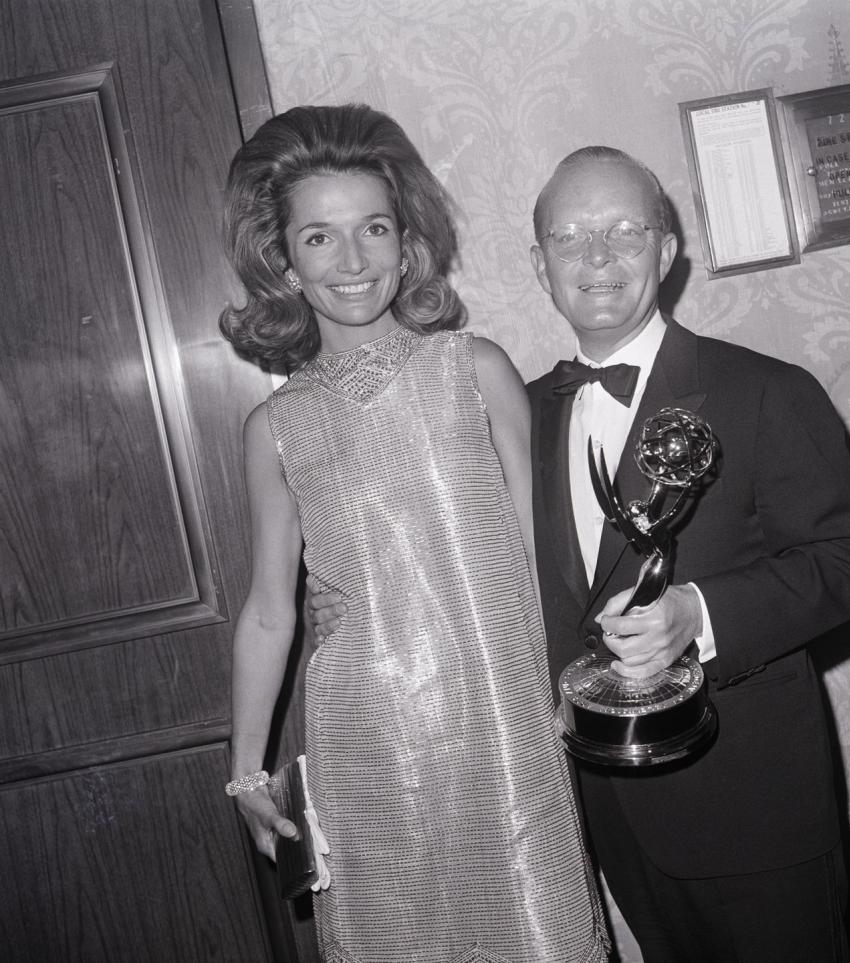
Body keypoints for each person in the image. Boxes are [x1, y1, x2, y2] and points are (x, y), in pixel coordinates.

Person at [312, 145, 850, 963]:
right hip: (601, 811)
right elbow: (451, 562)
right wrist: (345, 599)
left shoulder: (767, 391)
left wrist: (700, 613)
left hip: (753, 812)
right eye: (571, 238)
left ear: (667, 247)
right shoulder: (516, 414)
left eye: (624, 230)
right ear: (539, 265)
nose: (599, 256)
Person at [220, 104, 608, 963]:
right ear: (283, 259)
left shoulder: (474, 369)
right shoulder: (275, 424)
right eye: (319, 238)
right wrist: (248, 768)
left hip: (507, 722)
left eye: (374, 229)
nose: (352, 260)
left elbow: (550, 556)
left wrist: (566, 689)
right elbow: (268, 610)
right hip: (366, 736)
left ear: (408, 243)